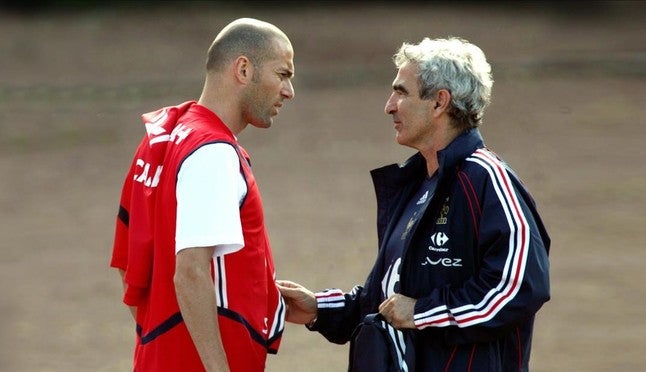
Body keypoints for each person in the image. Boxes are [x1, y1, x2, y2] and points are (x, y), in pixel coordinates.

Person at [278, 37, 550, 371]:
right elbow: (390, 297)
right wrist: (322, 308)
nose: (389, 106)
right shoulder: (415, 183)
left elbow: (519, 289)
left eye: (402, 92)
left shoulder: (488, 179)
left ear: (439, 102)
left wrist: (423, 312)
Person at [110, 18, 295, 372]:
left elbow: (127, 265)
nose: (288, 91)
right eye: (283, 74)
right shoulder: (212, 152)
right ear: (243, 69)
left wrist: (160, 335)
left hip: (159, 355)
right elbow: (191, 271)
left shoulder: (162, 138)